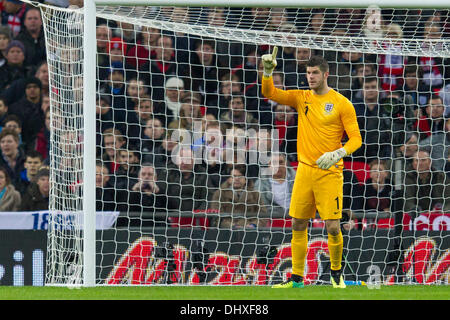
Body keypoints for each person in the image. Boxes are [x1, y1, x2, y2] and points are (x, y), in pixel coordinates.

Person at [261, 49, 362, 289]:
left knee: (333, 226)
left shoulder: (341, 103)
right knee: (297, 223)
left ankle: (336, 275)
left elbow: (356, 140)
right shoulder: (301, 97)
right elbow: (270, 93)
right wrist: (267, 72)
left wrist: (337, 152)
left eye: (315, 73)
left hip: (331, 172)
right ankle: (296, 278)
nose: (310, 77)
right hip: (305, 171)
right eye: (308, 73)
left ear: (326, 74)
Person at [209, 165, 267, 229]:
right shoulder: (219, 194)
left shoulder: (255, 194)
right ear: (229, 179)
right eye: (234, 176)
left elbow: (263, 215)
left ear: (246, 179)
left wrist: (253, 225)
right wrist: (231, 226)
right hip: (226, 231)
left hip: (250, 231)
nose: (236, 179)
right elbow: (216, 217)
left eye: (240, 176)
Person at [404, 149, 450, 216]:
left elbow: (448, 200)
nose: (420, 163)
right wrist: (417, 211)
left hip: (439, 216)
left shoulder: (441, 177)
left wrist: (441, 211)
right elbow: (407, 201)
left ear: (430, 162)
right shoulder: (407, 178)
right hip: (416, 216)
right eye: (417, 160)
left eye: (423, 160)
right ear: (413, 164)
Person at [254, 152, 295, 219]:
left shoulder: (297, 179)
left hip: (297, 217)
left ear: (286, 164)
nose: (278, 166)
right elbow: (264, 207)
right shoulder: (260, 183)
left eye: (281, 162)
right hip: (272, 219)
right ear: (269, 165)